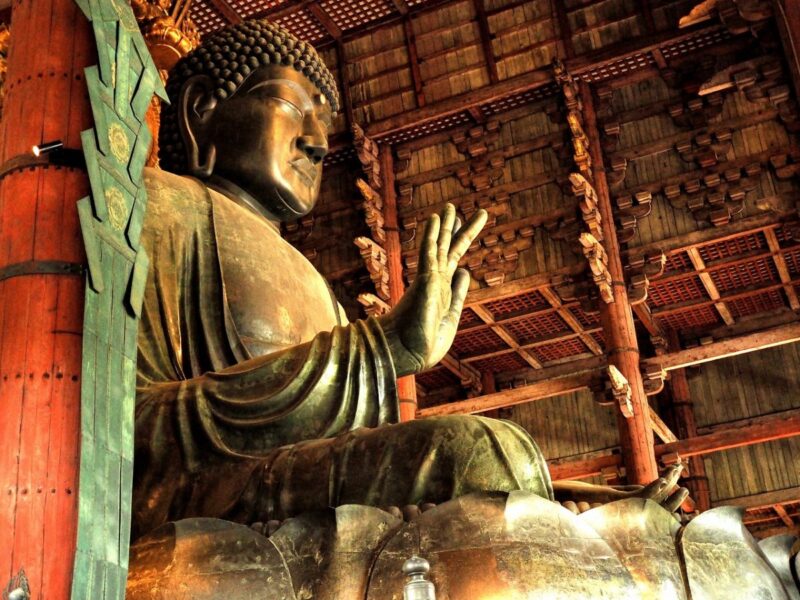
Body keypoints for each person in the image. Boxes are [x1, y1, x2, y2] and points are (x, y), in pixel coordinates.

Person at [132, 18, 685, 540]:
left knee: (505, 455)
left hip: (292, 483)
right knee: (475, 449)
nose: (318, 142)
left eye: (323, 124)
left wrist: (556, 496)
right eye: (288, 105)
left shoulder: (319, 286)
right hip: (207, 493)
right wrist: (379, 350)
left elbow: (346, 449)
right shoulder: (161, 207)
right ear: (202, 109)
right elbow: (136, 425)